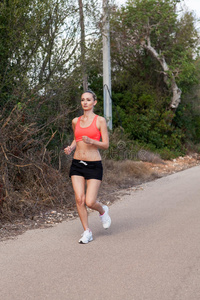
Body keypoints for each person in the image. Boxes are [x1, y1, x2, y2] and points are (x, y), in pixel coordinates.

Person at [64, 90, 111, 244]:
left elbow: (105, 145)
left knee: (90, 202)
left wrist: (92, 141)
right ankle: (87, 231)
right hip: (77, 163)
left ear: (94, 102)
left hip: (94, 165)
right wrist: (71, 148)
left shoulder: (100, 121)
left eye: (88, 100)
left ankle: (103, 211)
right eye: (83, 100)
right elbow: (76, 138)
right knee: (79, 199)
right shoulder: (75, 121)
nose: (85, 102)